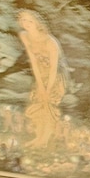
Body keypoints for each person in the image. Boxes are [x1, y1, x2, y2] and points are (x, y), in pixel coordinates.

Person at [18, 9, 68, 148]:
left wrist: (48, 88)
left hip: (56, 76)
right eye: (23, 20)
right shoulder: (24, 35)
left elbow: (54, 68)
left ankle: (44, 140)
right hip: (41, 74)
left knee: (48, 105)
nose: (26, 23)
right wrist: (40, 85)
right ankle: (38, 138)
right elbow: (33, 61)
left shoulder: (50, 42)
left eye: (30, 21)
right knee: (38, 104)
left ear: (37, 23)